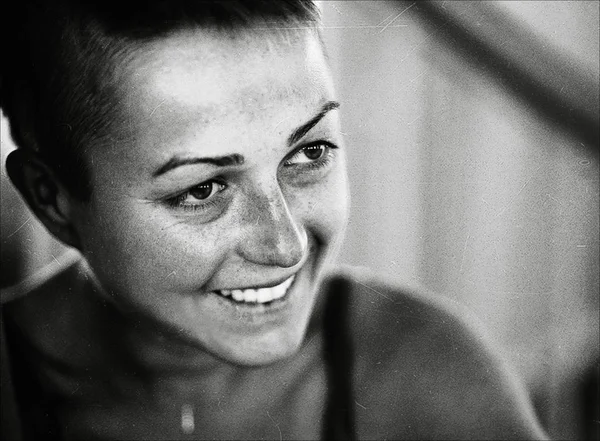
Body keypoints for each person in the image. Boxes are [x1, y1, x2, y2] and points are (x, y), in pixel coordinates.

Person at [0, 1, 549, 439]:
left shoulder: (420, 372)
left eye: (308, 154)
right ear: (52, 199)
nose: (286, 245)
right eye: (203, 189)